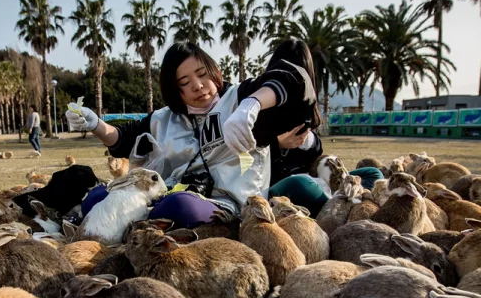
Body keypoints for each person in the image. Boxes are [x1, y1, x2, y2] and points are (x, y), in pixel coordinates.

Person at [66, 42, 316, 228]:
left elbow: (297, 80)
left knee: (179, 207)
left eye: (202, 73)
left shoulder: (237, 98)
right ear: (174, 90)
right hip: (167, 195)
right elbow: (121, 140)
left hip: (229, 206)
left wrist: (252, 105)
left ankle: (132, 220)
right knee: (97, 196)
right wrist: (95, 123)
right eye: (184, 82)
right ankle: (138, 218)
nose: (197, 85)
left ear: (213, 70)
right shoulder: (163, 118)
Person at [253, 38, 329, 216]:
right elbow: (246, 162)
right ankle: (334, 212)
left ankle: (338, 206)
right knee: (299, 184)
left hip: (307, 184)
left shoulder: (306, 109)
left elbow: (314, 158)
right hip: (270, 188)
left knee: (370, 172)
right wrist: (277, 146)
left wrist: (311, 142)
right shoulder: (257, 108)